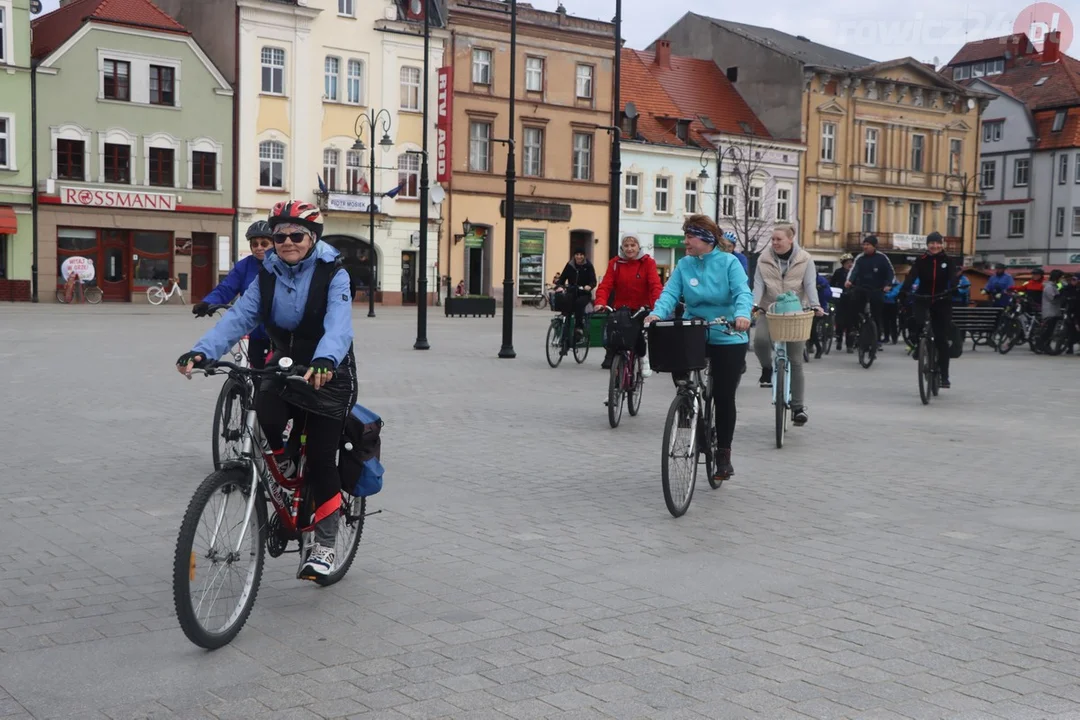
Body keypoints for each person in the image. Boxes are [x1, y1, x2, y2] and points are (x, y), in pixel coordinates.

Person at [176, 200, 356, 580]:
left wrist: (325, 359)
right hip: (284, 364)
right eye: (280, 236)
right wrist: (202, 351)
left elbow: (339, 325)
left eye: (296, 235)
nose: (287, 242)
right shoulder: (268, 273)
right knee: (266, 415)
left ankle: (323, 545)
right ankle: (288, 467)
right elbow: (240, 316)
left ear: (312, 238)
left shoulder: (333, 273)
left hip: (328, 371)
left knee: (323, 459)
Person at [645, 215, 752, 481]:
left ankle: (724, 455)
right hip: (696, 329)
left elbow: (742, 292)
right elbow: (670, 293)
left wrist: (742, 315)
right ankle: (688, 406)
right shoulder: (684, 264)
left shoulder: (730, 263)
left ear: (705, 238)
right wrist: (657, 314)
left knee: (724, 396)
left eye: (690, 237)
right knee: (677, 363)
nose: (686, 242)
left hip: (728, 331)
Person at [750, 224, 824, 427]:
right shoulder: (763, 259)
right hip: (769, 309)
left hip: (795, 312)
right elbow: (758, 284)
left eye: (778, 239)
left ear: (791, 240)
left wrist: (815, 305)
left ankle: (798, 408)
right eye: (772, 239)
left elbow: (809, 284)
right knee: (761, 341)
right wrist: (753, 305)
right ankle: (766, 368)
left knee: (796, 360)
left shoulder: (805, 259)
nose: (774, 243)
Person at [191, 221, 275, 368]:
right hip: (253, 332)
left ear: (274, 244)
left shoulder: (282, 265)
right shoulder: (244, 266)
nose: (259, 248)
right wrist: (208, 303)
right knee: (254, 372)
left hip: (278, 335)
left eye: (264, 243)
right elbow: (227, 288)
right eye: (254, 244)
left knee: (275, 376)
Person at [595, 233, 663, 373]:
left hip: (641, 307)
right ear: (622, 247)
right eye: (626, 245)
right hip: (622, 307)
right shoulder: (615, 263)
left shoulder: (647, 263)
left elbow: (655, 285)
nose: (629, 249)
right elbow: (606, 285)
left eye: (633, 245)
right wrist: (600, 302)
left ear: (639, 247)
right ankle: (617, 368)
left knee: (637, 332)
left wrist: (657, 306)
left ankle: (643, 358)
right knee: (614, 334)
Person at [901, 231, 958, 388]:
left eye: (938, 243)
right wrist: (904, 290)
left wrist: (953, 287)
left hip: (942, 298)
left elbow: (953, 276)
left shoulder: (948, 260)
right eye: (932, 243)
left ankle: (944, 376)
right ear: (927, 245)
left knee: (941, 338)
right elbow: (912, 276)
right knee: (916, 321)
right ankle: (919, 345)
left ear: (942, 244)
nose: (935, 246)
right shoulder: (921, 260)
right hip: (923, 297)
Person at [845, 236, 894, 350]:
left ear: (874, 246)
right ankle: (856, 329)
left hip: (877, 289)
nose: (865, 247)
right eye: (864, 244)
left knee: (877, 313)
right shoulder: (860, 258)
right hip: (862, 288)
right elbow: (854, 271)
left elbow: (890, 272)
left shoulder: (882, 258)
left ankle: (876, 338)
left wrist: (888, 284)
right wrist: (849, 281)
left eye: (868, 245)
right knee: (854, 307)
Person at [554, 249, 597, 339]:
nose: (579, 256)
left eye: (581, 254)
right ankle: (565, 335)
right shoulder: (570, 265)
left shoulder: (588, 266)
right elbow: (562, 278)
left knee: (579, 303)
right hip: (572, 291)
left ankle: (579, 328)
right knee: (567, 303)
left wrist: (589, 286)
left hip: (584, 293)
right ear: (574, 255)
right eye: (577, 254)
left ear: (584, 256)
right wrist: (560, 286)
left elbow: (593, 281)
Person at [831, 254, 854, 350]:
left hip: (852, 299)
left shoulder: (854, 273)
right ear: (843, 264)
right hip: (841, 299)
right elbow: (832, 284)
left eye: (851, 263)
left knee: (850, 322)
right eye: (848, 263)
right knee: (839, 321)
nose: (850, 264)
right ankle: (839, 340)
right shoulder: (838, 272)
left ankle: (849, 345)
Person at [1038, 269, 1065, 351]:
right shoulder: (1049, 287)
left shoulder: (1053, 286)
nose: (1061, 280)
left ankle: (1045, 345)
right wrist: (1062, 295)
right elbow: (1052, 298)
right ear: (1056, 278)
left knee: (1051, 330)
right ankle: (1043, 345)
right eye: (1061, 278)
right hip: (1050, 312)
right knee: (1048, 331)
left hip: (1055, 312)